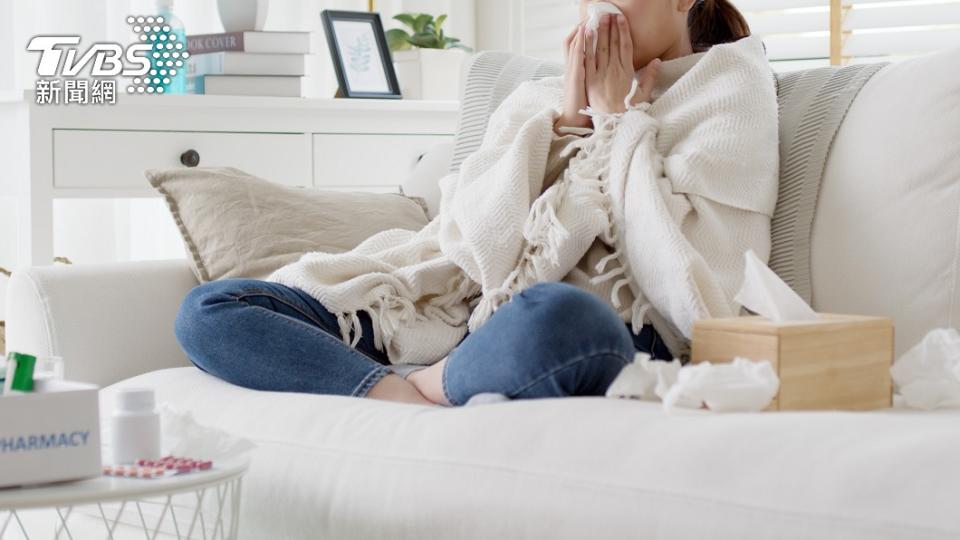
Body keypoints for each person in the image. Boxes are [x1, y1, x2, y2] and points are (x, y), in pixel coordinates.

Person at [175, 0, 780, 407]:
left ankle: (440, 381)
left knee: (569, 320)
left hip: (598, 328)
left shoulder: (727, 88)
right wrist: (569, 121)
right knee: (210, 311)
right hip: (456, 324)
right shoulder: (541, 97)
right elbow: (471, 248)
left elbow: (696, 292)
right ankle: (400, 394)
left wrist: (619, 123)